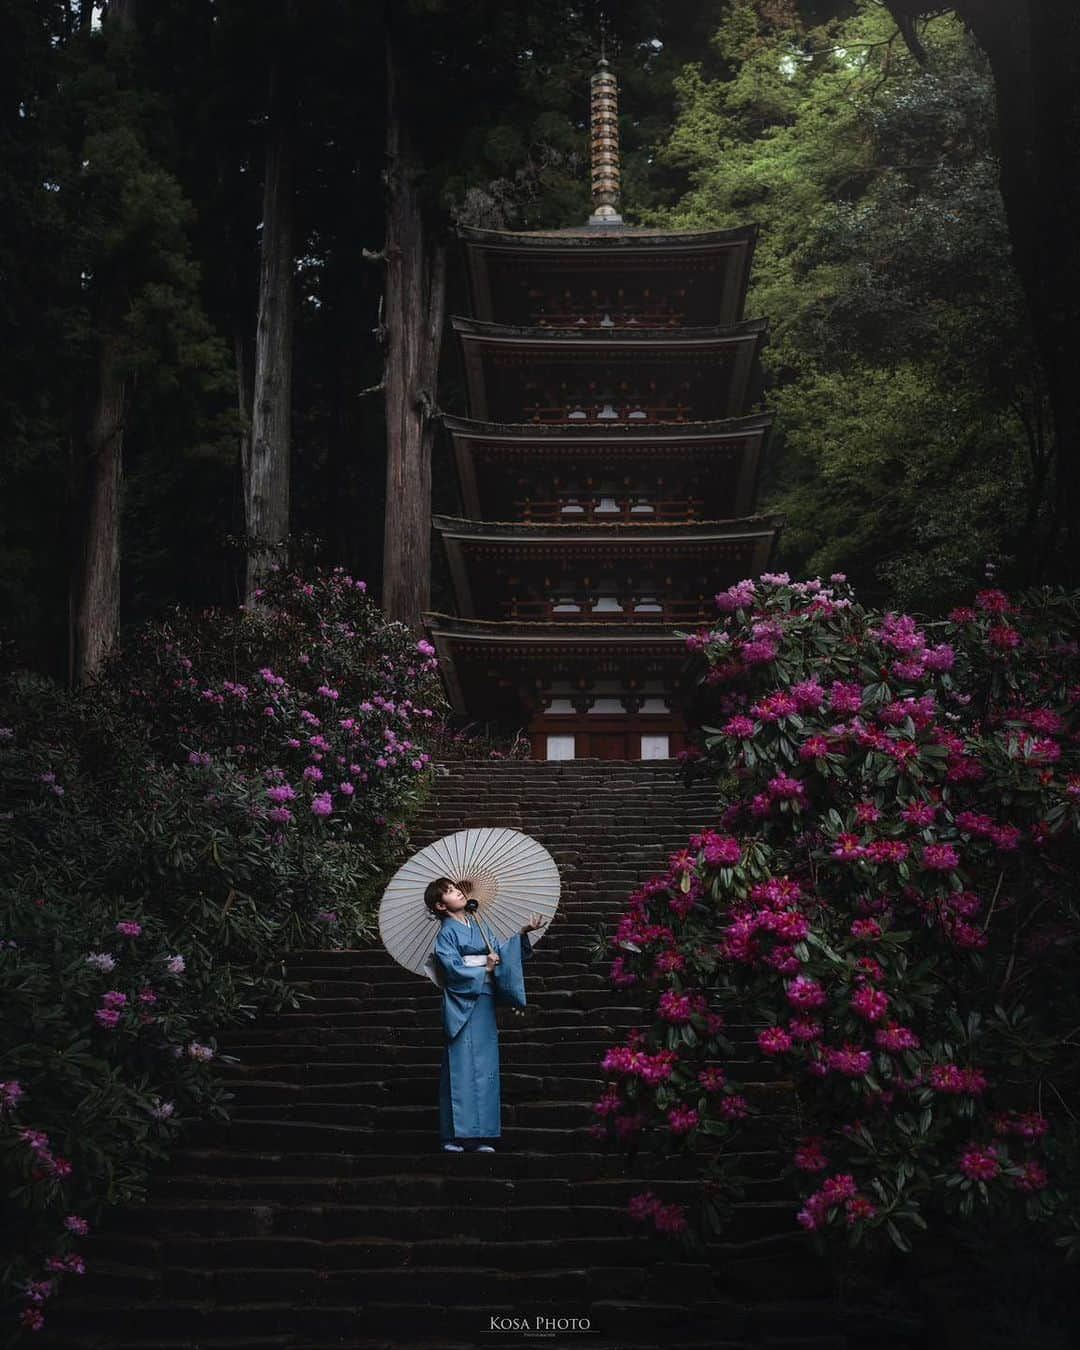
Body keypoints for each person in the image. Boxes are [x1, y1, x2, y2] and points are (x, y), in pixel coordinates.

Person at [423, 877, 548, 1153]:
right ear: (440, 906)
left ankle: (481, 1135)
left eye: (457, 889)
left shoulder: (478, 923)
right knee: (461, 1068)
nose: (458, 893)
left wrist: (522, 933)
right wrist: (485, 969)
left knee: (484, 1068)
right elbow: (451, 968)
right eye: (452, 892)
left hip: (484, 1000)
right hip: (463, 1002)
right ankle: (454, 1136)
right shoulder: (447, 933)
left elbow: (498, 952)